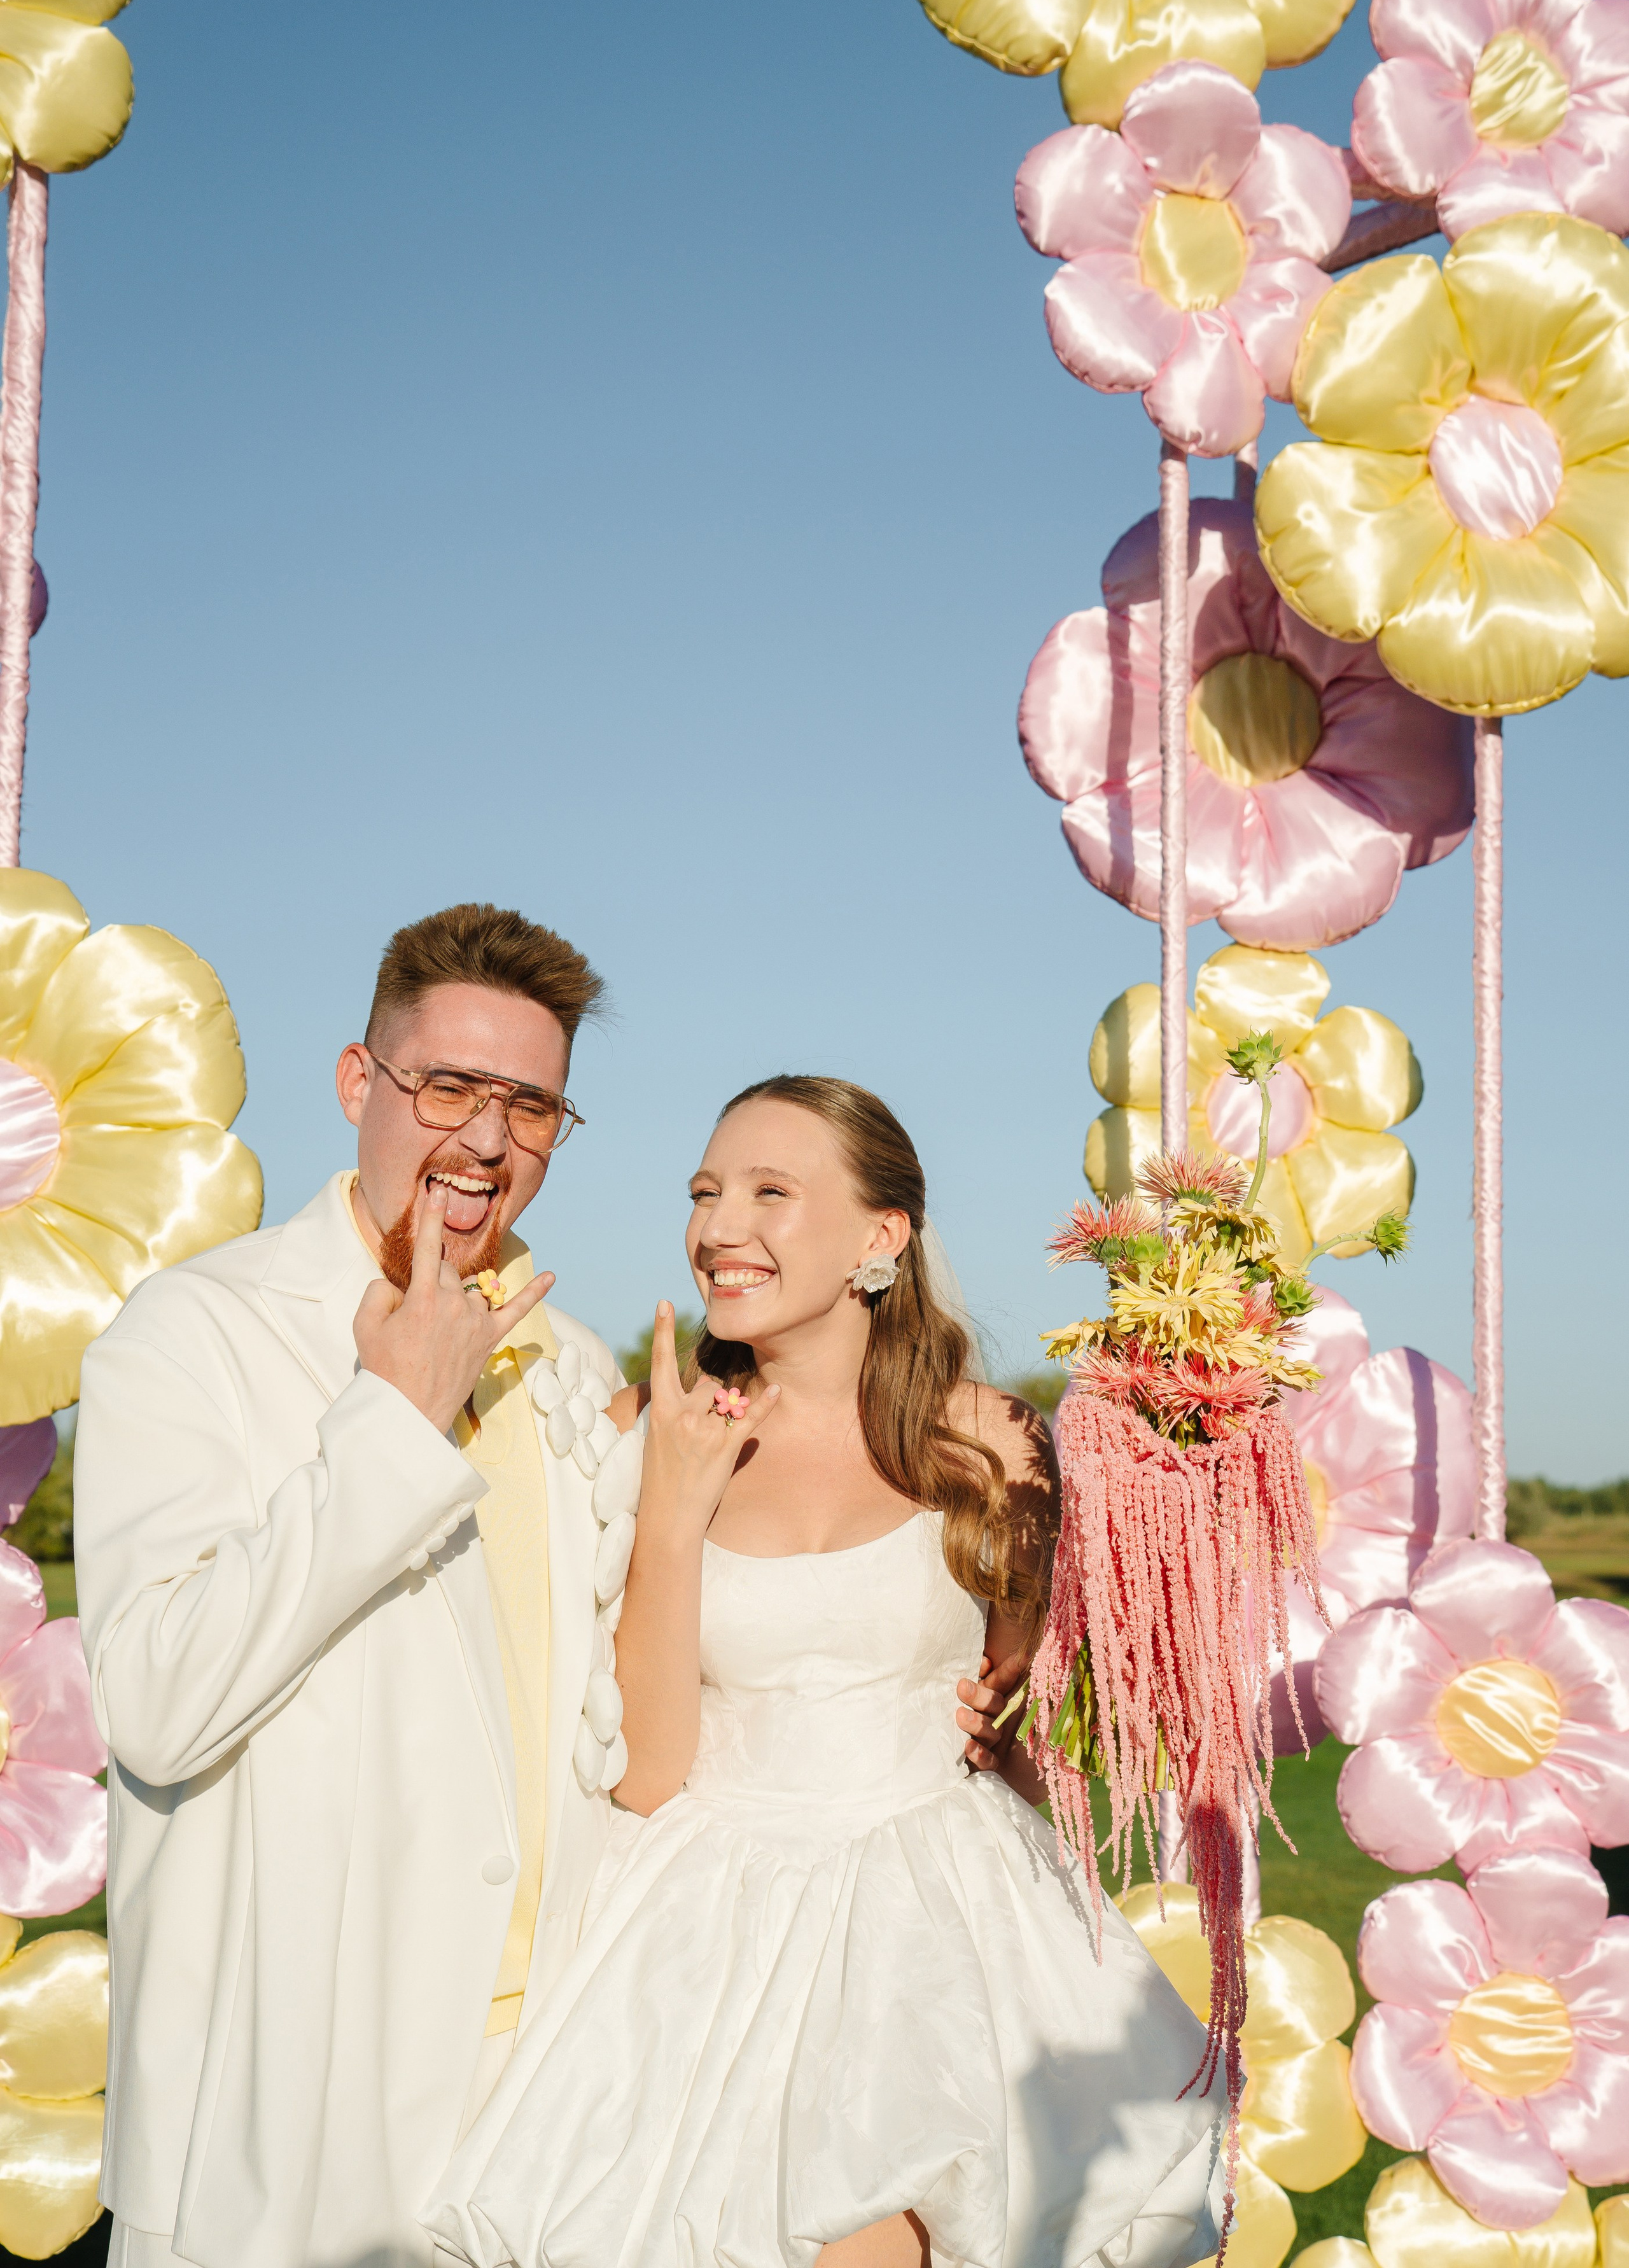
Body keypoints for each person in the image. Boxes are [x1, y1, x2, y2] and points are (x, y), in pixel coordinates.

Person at [72, 907, 1014, 2268]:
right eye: (445, 1086)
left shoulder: (575, 1368)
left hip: (553, 2102)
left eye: (530, 1103)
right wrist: (394, 1422)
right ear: (357, 1081)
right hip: (298, 2112)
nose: (484, 1136)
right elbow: (158, 1704)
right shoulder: (195, 1337)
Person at [426, 1076, 1223, 2268]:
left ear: (879, 1238)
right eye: (705, 1192)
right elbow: (648, 1770)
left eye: (769, 1192)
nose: (718, 1226)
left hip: (942, 1921)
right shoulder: (641, 1423)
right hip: (706, 1933)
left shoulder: (992, 1441)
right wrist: (673, 1509)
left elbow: (1005, 1710)